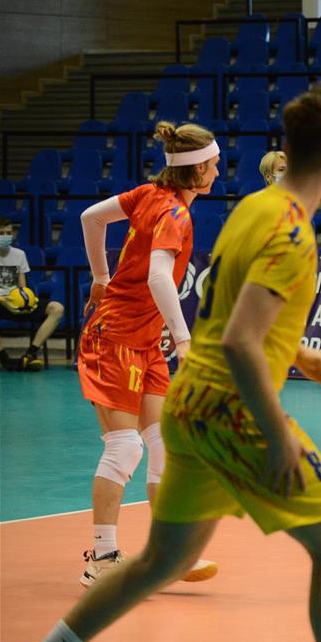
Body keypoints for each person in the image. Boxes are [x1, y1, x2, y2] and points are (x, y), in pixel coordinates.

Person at [0, 85, 321, 642]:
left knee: (161, 561)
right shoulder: (291, 233)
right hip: (233, 412)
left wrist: (300, 352)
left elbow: (228, 313)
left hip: (190, 403)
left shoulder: (256, 208)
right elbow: (242, 343)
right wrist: (277, 436)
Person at [77, 122, 220, 588]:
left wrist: (101, 277)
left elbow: (90, 218)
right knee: (125, 447)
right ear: (195, 171)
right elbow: (160, 276)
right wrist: (183, 337)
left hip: (142, 338)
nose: (218, 172)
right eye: (213, 165)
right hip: (115, 336)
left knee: (164, 442)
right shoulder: (174, 213)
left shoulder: (148, 194)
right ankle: (102, 558)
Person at [0, 216, 65, 371]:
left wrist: (28, 300)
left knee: (57, 308)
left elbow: (22, 286)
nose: (5, 236)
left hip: (17, 301)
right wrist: (3, 300)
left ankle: (30, 354)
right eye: (1, 233)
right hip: (1, 303)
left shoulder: (19, 254)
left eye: (8, 233)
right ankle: (4, 359)